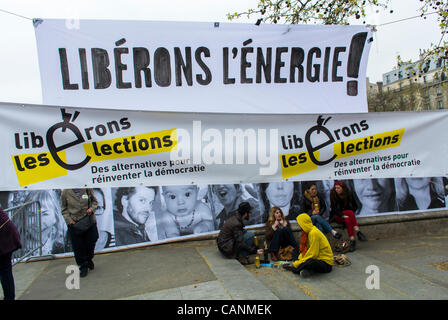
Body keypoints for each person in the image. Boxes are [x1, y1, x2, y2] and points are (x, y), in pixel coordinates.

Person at [61, 188, 98, 278]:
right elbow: (64, 208)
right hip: (74, 223)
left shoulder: (87, 188)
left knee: (92, 239)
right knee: (78, 246)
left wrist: (91, 209)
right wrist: (69, 220)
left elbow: (94, 202)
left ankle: (89, 258)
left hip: (89, 221)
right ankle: (83, 265)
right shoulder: (65, 192)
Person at [284, 213, 333, 278]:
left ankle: (296, 269)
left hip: (325, 263)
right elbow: (306, 250)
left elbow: (313, 254)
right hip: (317, 257)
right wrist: (301, 260)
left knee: (311, 262)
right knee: (295, 251)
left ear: (304, 224)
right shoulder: (308, 232)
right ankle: (306, 269)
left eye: (300, 224)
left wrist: (297, 264)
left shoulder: (313, 233)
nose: (299, 226)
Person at [23, 190, 67, 256]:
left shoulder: (61, 245)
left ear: (56, 216)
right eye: (31, 214)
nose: (38, 223)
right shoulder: (18, 248)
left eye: (44, 214)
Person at [330, 181, 367, 252]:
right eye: (335, 188)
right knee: (349, 214)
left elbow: (355, 206)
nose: (336, 190)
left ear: (343, 188)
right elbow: (334, 209)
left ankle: (352, 240)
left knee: (349, 216)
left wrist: (346, 215)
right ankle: (358, 231)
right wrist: (342, 216)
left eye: (338, 188)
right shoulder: (333, 194)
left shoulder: (348, 194)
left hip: (347, 215)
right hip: (337, 216)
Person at [0, 207, 22, 300]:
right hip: (6, 238)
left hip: (4, 239)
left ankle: (9, 297)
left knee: (5, 270)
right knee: (5, 270)